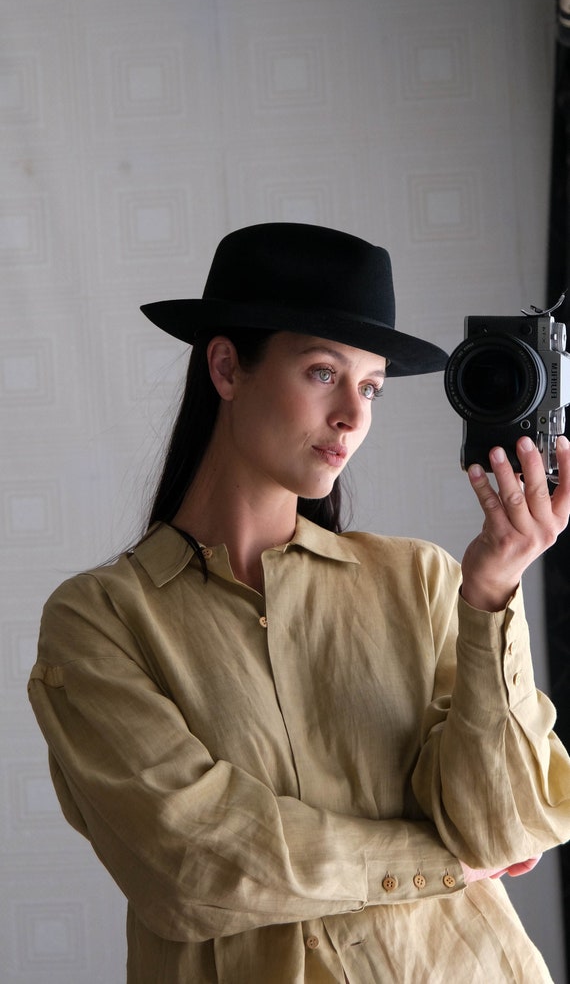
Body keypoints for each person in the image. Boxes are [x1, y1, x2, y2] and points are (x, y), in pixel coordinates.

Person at [28, 222, 570, 983]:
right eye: (324, 373)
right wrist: (440, 862)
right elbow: (196, 864)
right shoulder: (101, 621)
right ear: (225, 367)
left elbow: (503, 825)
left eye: (372, 386)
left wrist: (490, 596)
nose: (354, 415)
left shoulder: (421, 581)